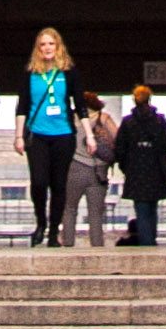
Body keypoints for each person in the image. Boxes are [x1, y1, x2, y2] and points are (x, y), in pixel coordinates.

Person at [21, 27, 82, 246]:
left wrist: (90, 136)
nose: (47, 48)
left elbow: (80, 104)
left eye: (51, 44)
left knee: (58, 184)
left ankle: (54, 230)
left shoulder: (69, 71)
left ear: (58, 47)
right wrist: (19, 136)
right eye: (43, 44)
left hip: (63, 135)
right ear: (38, 49)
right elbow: (22, 106)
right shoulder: (31, 73)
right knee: (38, 182)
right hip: (37, 134)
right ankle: (41, 222)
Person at [110, 80, 166, 245]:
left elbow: (119, 148)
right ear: (149, 99)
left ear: (134, 99)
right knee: (153, 208)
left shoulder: (128, 122)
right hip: (156, 170)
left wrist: (126, 165)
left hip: (135, 171)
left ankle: (146, 242)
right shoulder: (160, 121)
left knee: (141, 208)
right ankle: (151, 240)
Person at [61, 88, 116, 249]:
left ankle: (68, 244)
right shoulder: (104, 118)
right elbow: (118, 139)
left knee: (70, 209)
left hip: (74, 168)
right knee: (96, 213)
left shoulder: (70, 119)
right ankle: (97, 246)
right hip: (99, 171)